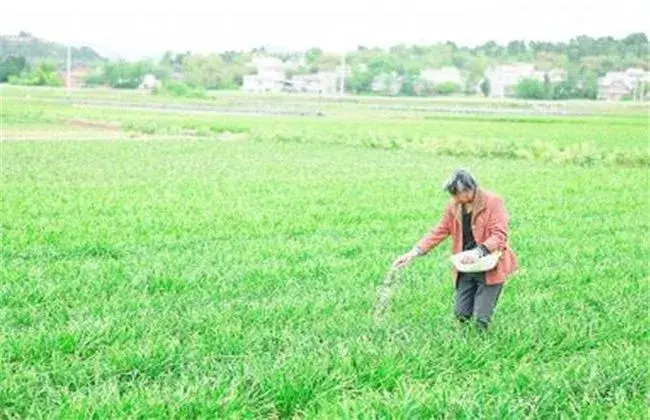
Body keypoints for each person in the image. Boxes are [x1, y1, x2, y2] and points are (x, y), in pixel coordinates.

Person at [392, 169, 518, 331]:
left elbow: (499, 235)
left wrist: (478, 252)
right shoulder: (455, 205)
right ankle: (464, 341)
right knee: (461, 314)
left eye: (456, 194)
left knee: (481, 319)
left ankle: (480, 346)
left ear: (469, 190)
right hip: (465, 266)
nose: (454, 198)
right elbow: (440, 230)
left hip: (489, 265)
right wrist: (413, 252)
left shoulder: (493, 202)